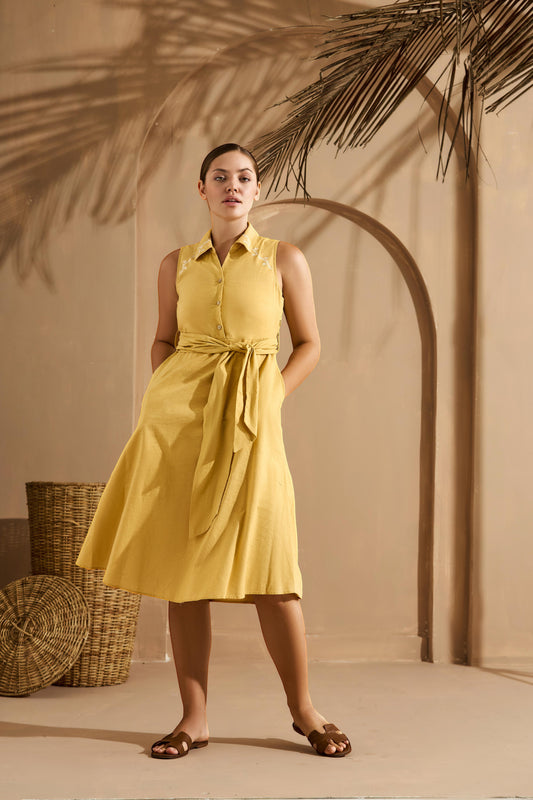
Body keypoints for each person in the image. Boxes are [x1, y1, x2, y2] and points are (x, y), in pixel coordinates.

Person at [76, 142, 351, 760]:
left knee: (273, 570)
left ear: (257, 190)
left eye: (244, 177)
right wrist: (168, 393)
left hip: (253, 423)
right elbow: (163, 340)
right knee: (184, 573)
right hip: (178, 425)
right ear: (201, 189)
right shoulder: (175, 263)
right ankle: (193, 719)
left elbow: (309, 343)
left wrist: (270, 397)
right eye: (220, 177)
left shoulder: (285, 259)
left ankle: (305, 711)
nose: (233, 186)